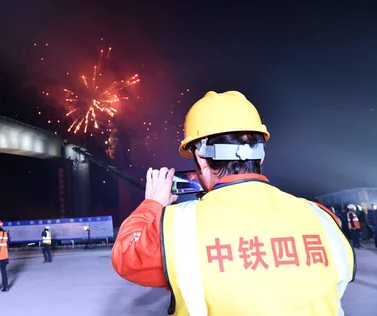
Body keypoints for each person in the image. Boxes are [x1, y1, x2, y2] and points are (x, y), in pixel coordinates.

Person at [111, 90, 355, 315]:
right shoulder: (322, 218)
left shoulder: (180, 227)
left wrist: (153, 204)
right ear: (261, 154)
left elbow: (125, 257)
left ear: (200, 158)